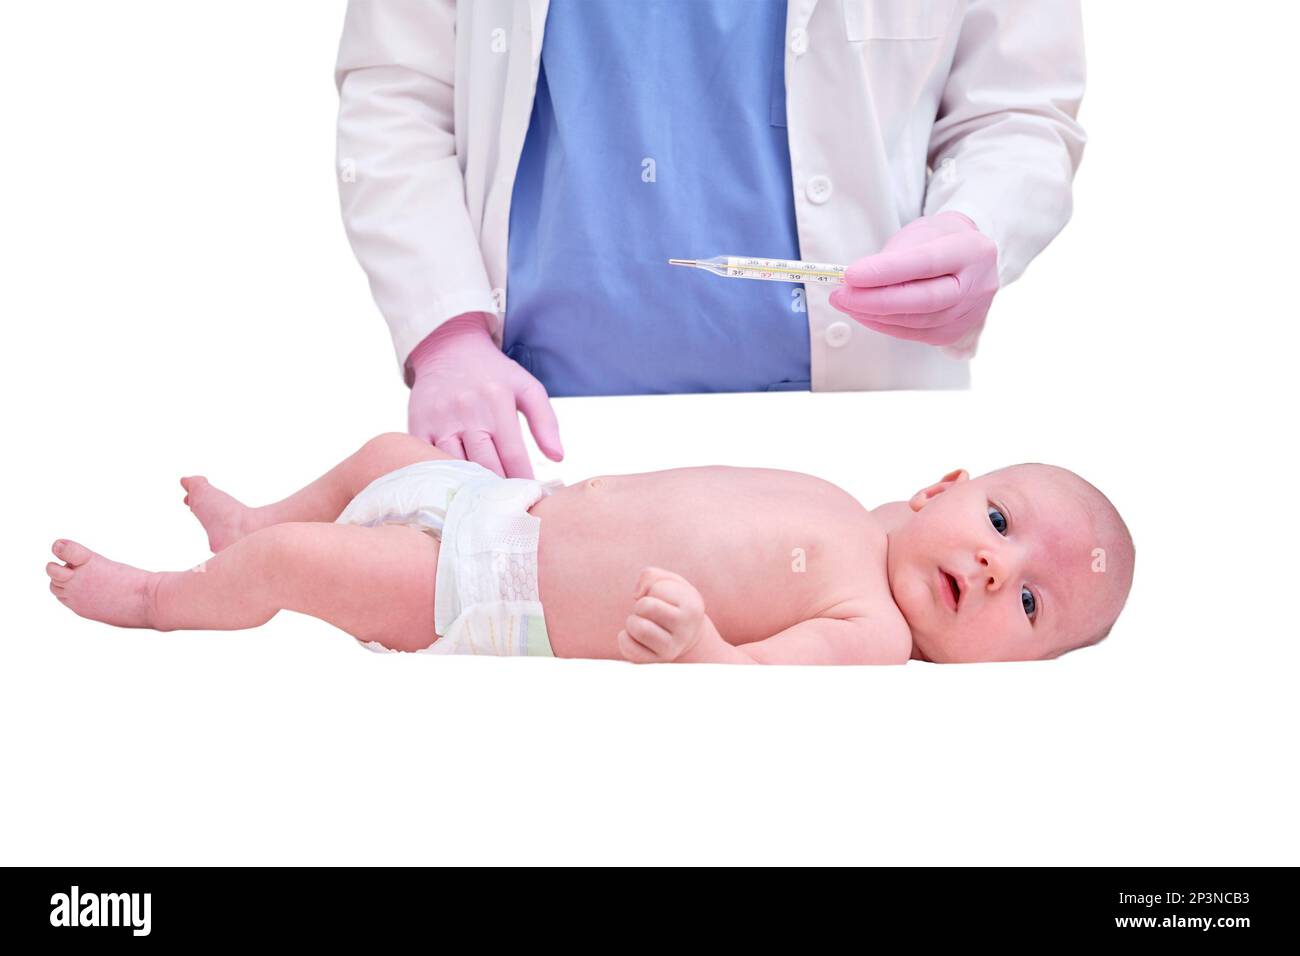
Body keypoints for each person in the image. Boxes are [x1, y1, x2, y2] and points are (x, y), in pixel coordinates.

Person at [334, 0, 1086, 477]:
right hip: (536, 436)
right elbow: (396, 92)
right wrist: (448, 335)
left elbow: (1016, 112)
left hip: (858, 440)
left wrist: (978, 223)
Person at [45, 432, 1133, 665]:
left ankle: (163, 597)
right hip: (509, 502)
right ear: (945, 483)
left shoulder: (876, 632)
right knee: (384, 451)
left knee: (302, 575)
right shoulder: (851, 507)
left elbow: (757, 679)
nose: (998, 567)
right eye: (998, 521)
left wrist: (704, 644)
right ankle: (262, 519)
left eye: (1030, 604)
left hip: (487, 587)